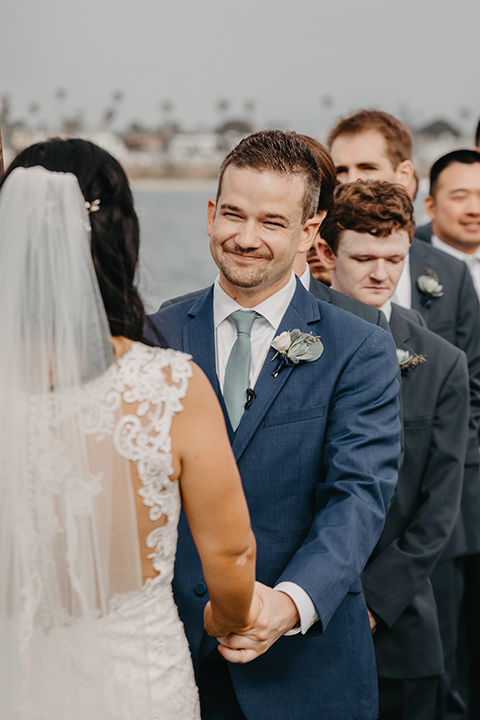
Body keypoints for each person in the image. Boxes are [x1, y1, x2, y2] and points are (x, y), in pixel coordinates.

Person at [0, 138, 260, 720]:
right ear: (119, 235)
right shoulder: (167, 386)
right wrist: (231, 616)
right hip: (134, 680)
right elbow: (233, 551)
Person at [147, 129, 401, 720]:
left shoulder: (359, 349)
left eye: (271, 222)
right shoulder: (155, 333)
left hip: (306, 674)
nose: (245, 238)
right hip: (170, 660)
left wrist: (287, 605)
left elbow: (358, 496)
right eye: (232, 214)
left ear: (310, 232)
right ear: (211, 214)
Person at [327, 110, 480, 720]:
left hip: (401, 622)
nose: (381, 274)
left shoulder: (439, 362)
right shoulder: (292, 340)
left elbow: (440, 500)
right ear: (326, 250)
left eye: (393, 260)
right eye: (364, 258)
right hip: (295, 615)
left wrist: (376, 599)